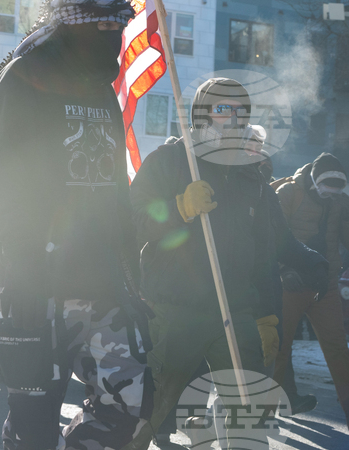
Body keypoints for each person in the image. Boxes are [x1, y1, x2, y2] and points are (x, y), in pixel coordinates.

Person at [0, 0, 149, 450]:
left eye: (118, 27)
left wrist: (131, 270)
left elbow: (115, 186)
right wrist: (24, 266)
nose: (113, 36)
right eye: (102, 26)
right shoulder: (25, 75)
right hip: (38, 285)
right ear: (72, 25)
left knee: (131, 403)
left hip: (103, 282)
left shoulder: (103, 90)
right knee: (33, 423)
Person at [126, 77, 284, 448]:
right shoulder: (169, 161)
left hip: (236, 312)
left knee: (249, 417)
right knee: (148, 410)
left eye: (241, 111)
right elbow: (132, 223)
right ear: (201, 114)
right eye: (222, 109)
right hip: (176, 308)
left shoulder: (249, 175)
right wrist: (179, 207)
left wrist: (266, 315)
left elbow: (264, 253)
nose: (233, 118)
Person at [269, 152, 349, 444]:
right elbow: (269, 236)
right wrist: (283, 271)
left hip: (325, 286)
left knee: (339, 352)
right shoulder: (289, 193)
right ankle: (256, 415)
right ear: (314, 180)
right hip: (290, 283)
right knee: (278, 350)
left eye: (338, 188)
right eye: (328, 186)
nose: (332, 192)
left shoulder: (339, 203)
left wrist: (348, 216)